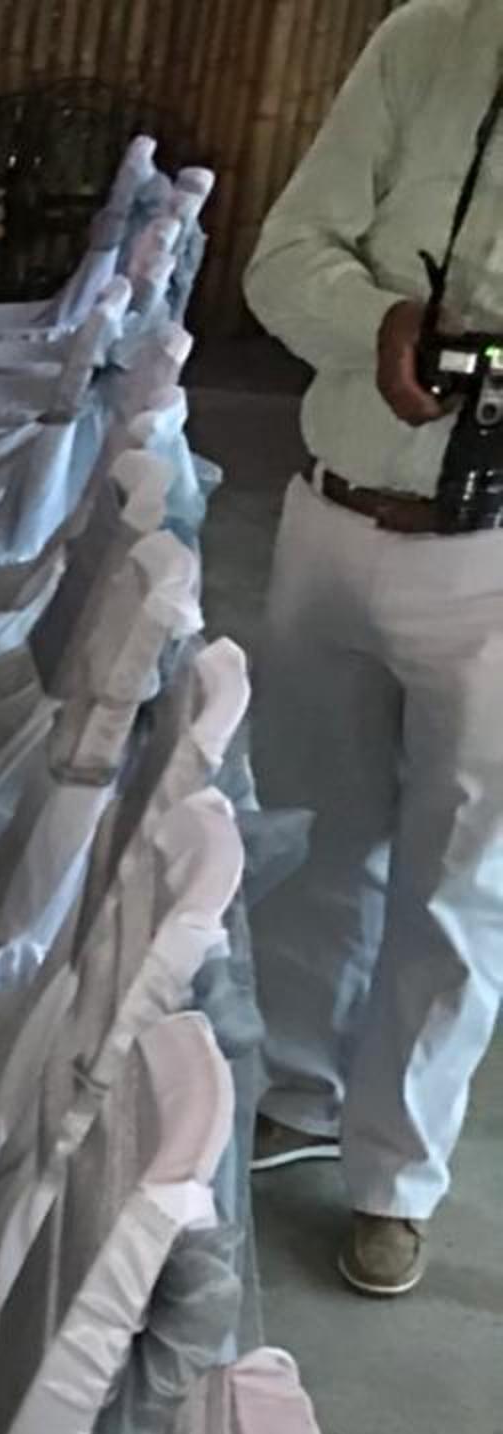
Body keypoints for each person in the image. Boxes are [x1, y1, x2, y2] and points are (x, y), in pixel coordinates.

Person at [244, 0, 503, 1299]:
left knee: (460, 883)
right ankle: (294, 1086)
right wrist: (379, 321)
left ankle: (394, 1177)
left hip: (495, 556)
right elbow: (282, 259)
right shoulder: (425, 40)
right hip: (335, 512)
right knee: (310, 830)